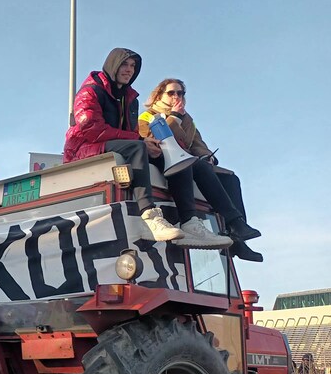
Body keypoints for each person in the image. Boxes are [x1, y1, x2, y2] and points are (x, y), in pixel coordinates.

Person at [64, 48, 229, 249]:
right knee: (136, 147)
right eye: (124, 64)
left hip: (117, 144)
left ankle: (190, 222)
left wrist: (148, 144)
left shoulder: (128, 97)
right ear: (112, 65)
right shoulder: (91, 91)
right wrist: (140, 140)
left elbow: (131, 134)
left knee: (174, 156)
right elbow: (90, 128)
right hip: (84, 147)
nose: (129, 70)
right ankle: (149, 216)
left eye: (133, 66)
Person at [138, 79, 262, 261]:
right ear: (159, 95)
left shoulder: (189, 121)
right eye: (171, 93)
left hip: (190, 160)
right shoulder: (148, 116)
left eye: (180, 93)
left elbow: (198, 144)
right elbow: (151, 138)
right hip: (165, 157)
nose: (177, 96)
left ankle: (237, 231)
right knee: (194, 164)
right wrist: (175, 117)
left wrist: (207, 155)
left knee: (231, 179)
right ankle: (200, 221)